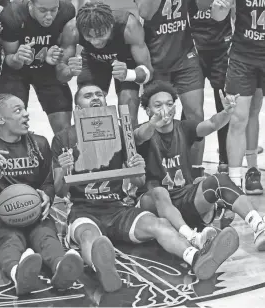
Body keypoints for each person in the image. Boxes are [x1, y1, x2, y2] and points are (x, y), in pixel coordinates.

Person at [51, 83, 239, 293]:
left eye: (99, 94)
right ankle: (102, 269)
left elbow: (139, 181)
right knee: (90, 237)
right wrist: (64, 170)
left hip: (118, 207)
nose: (95, 97)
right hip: (84, 210)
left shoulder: (120, 132)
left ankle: (196, 258)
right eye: (87, 95)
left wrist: (136, 168)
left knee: (159, 224)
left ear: (106, 101)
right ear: (78, 109)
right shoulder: (63, 138)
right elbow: (58, 192)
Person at [134, 81, 265, 252]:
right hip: (153, 202)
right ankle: (192, 237)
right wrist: (153, 124)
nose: (164, 109)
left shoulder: (184, 127)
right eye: (157, 105)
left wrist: (226, 113)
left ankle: (259, 226)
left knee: (219, 180)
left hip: (185, 196)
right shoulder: (142, 131)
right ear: (148, 110)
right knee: (160, 191)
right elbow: (139, 136)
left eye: (169, 103)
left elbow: (211, 124)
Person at [0, 93, 84, 295]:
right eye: (18, 110)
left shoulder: (40, 143)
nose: (26, 114)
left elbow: (47, 182)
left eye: (25, 109)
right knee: (8, 240)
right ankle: (18, 273)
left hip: (35, 212)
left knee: (46, 237)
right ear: (0, 119)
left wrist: (46, 196)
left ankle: (62, 268)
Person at [133, 0, 213, 169]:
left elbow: (205, 6)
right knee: (159, 117)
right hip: (155, 60)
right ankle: (160, 169)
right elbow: (145, 13)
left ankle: (195, 171)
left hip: (185, 57)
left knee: (196, 116)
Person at [56, 1, 153, 128]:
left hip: (126, 60)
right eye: (89, 37)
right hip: (92, 59)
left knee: (128, 113)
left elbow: (149, 73)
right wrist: (69, 71)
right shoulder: (72, 28)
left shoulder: (129, 25)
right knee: (88, 107)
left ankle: (130, 146)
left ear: (111, 25)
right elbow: (60, 75)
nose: (96, 42)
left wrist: (129, 74)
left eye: (101, 35)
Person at [0, 0, 75, 134]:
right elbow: (9, 58)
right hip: (17, 71)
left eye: (54, 10)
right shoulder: (12, 15)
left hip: (48, 69)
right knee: (11, 126)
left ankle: (63, 154)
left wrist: (58, 59)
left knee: (64, 130)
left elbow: (65, 49)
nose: (49, 16)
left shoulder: (67, 10)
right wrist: (17, 58)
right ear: (30, 4)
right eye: (43, 10)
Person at [212, 0, 264, 194]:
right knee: (238, 117)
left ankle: (252, 170)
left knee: (254, 111)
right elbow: (217, 16)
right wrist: (220, 8)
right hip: (243, 58)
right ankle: (233, 180)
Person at [189, 0, 232, 172]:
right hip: (194, 51)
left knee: (224, 105)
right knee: (191, 108)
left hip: (222, 50)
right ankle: (189, 159)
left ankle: (225, 159)